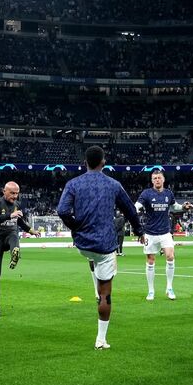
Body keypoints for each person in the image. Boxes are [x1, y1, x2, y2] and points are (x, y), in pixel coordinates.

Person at [56, 146, 144, 350]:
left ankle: (94, 269)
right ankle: (101, 339)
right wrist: (140, 231)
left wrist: (76, 227)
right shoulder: (113, 184)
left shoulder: (73, 183)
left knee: (93, 257)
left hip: (83, 243)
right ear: (103, 163)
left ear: (85, 163)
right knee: (105, 293)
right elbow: (130, 210)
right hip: (105, 245)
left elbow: (62, 211)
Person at [135, 170, 193, 301]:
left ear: (163, 179)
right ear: (152, 180)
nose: (157, 180)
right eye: (154, 178)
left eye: (159, 178)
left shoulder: (168, 193)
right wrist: (134, 209)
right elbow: (137, 206)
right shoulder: (146, 193)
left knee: (170, 256)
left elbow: (174, 206)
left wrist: (184, 207)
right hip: (150, 232)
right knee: (150, 261)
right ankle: (151, 290)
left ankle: (169, 288)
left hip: (165, 232)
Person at [0, 181, 40, 318]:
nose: (15, 196)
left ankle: (15, 252)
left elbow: (20, 222)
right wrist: (9, 216)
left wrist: (31, 230)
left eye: (17, 193)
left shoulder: (16, 205)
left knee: (13, 233)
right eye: (12, 193)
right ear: (4, 191)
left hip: (8, 236)